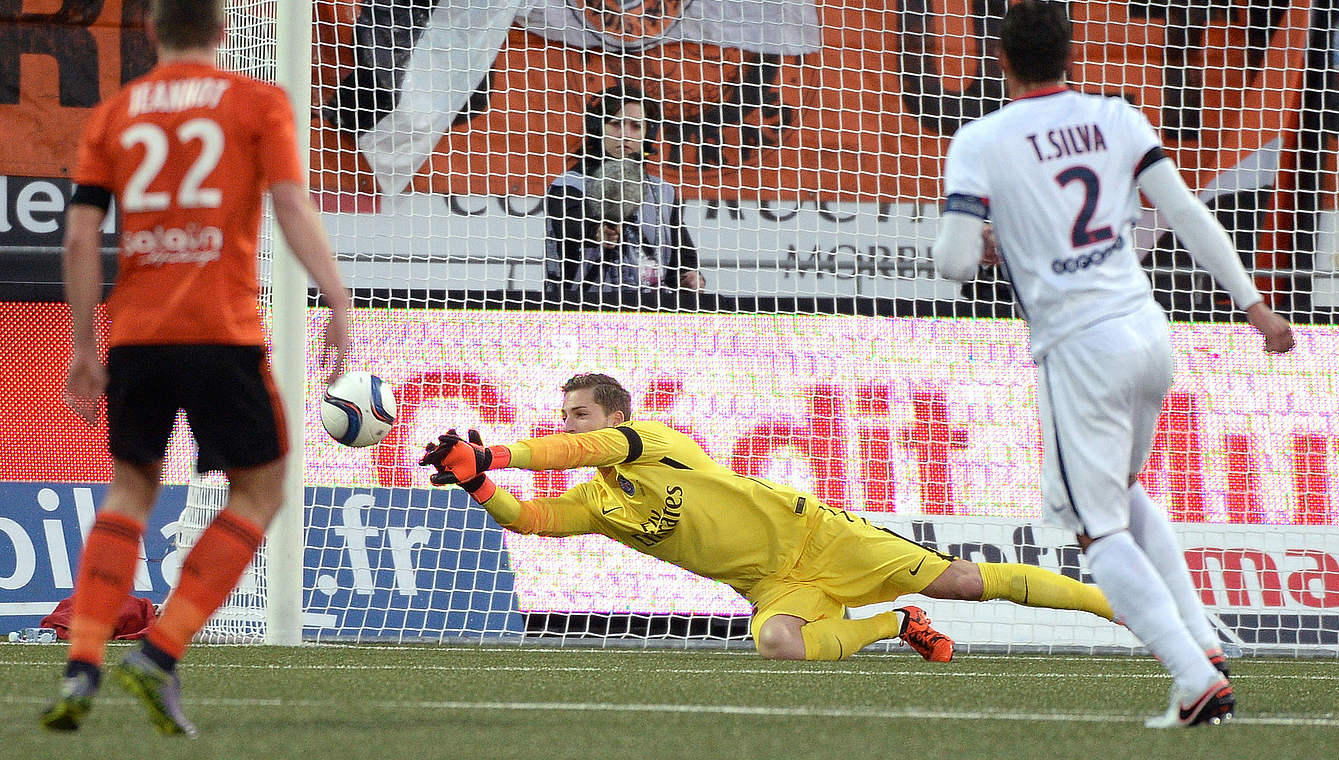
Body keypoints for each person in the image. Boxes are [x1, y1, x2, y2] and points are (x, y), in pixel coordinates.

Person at [932, 1, 1295, 728]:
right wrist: (1255, 307)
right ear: (1073, 54)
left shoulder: (980, 139)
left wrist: (987, 241)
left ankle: (1194, 679)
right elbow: (1188, 213)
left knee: (1097, 531)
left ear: (999, 59)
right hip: (1148, 333)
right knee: (1125, 491)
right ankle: (1202, 640)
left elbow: (953, 262)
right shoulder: (1117, 118)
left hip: (1079, 352)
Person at [40, 0, 351, 737]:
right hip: (223, 331)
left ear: (150, 32)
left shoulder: (115, 113)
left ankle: (83, 660)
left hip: (138, 335)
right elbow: (290, 205)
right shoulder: (257, 101)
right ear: (221, 32)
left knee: (132, 487)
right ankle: (159, 649)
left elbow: (82, 239)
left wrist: (84, 347)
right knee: (262, 489)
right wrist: (336, 297)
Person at [420, 373, 1117, 664]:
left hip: (820, 536)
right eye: (565, 412)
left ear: (615, 416)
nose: (570, 423)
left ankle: (1114, 604)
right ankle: (895, 624)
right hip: (772, 587)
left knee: (962, 582)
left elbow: (577, 449)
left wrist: (496, 450)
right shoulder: (598, 503)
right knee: (778, 645)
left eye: (581, 412)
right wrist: (478, 482)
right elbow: (531, 520)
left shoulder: (652, 442)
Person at [544, 85, 705, 310]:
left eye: (636, 126)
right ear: (597, 128)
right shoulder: (568, 184)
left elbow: (683, 258)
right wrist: (597, 231)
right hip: (583, 312)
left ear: (647, 134)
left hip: (653, 314)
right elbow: (570, 224)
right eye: (616, 124)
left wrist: (691, 276)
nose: (625, 134)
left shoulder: (663, 191)